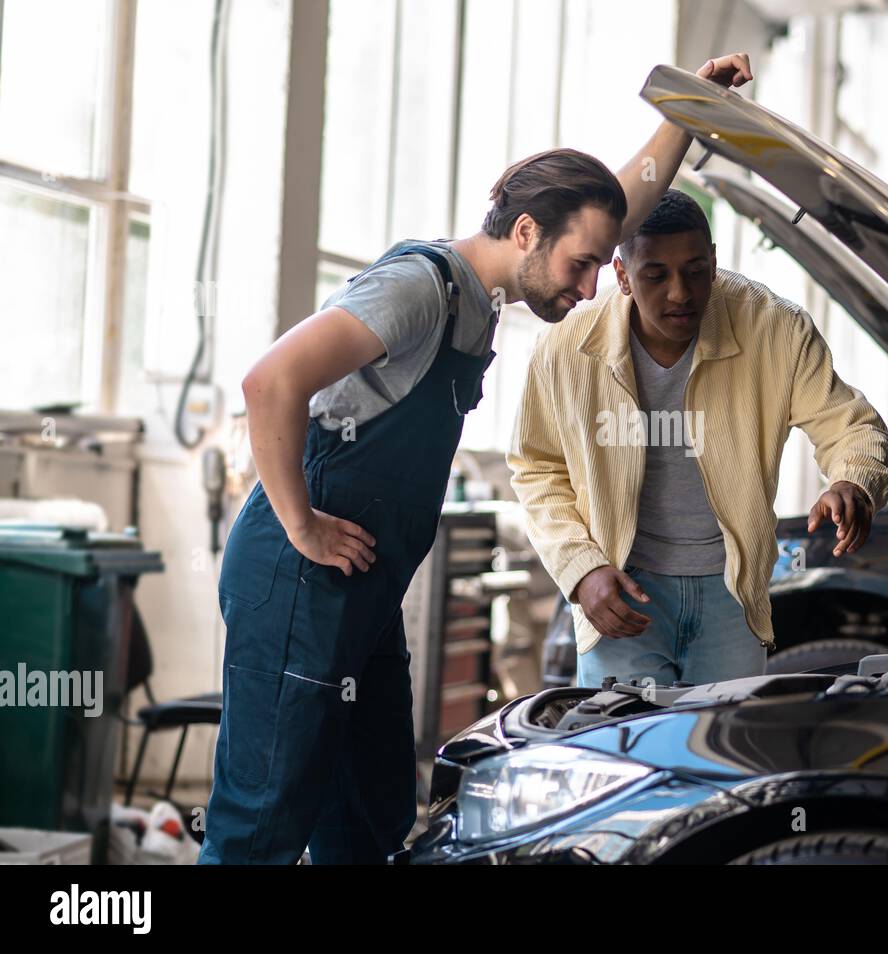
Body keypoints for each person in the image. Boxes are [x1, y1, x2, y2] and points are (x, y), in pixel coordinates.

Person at [199, 55, 754, 864]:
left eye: (603, 264)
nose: (595, 287)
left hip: (364, 588)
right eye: (581, 265)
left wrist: (686, 109)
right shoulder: (420, 289)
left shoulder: (486, 292)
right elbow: (270, 381)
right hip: (298, 583)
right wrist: (302, 524)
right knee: (262, 823)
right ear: (525, 233)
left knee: (371, 815)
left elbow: (621, 202)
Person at [508, 189, 888, 688]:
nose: (680, 293)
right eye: (656, 275)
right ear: (622, 275)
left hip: (730, 598)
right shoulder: (565, 347)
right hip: (624, 594)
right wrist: (581, 569)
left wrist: (853, 481)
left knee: (718, 757)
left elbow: (853, 425)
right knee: (627, 759)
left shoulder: (775, 327)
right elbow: (536, 467)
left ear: (713, 263)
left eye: (695, 269)